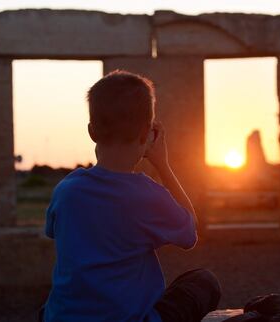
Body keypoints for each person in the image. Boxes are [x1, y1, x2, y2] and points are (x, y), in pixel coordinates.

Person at [39, 70, 221, 322]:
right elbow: (189, 233)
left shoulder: (66, 189)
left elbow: (53, 232)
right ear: (147, 133)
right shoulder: (147, 195)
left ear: (92, 131)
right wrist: (163, 166)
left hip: (63, 317)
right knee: (204, 280)